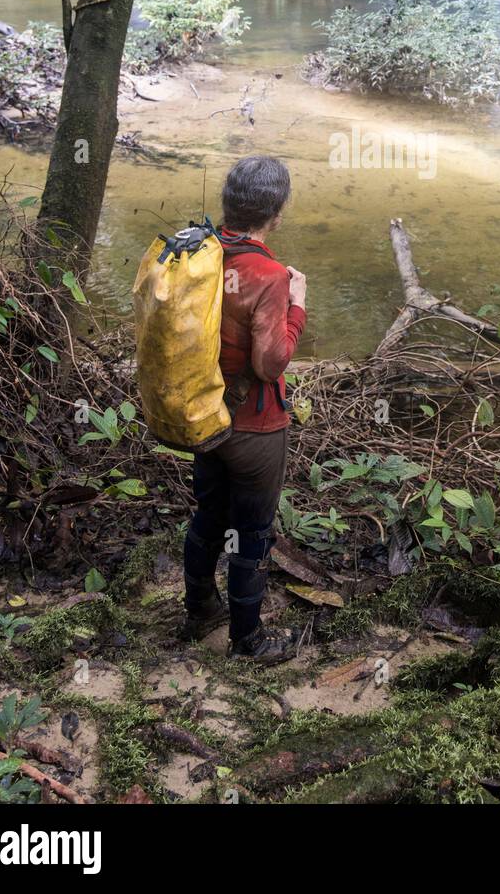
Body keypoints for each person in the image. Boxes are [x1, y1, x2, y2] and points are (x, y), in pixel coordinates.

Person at [180, 155, 306, 663]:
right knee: (252, 532)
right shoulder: (270, 274)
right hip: (254, 427)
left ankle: (200, 609)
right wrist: (297, 302)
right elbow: (272, 363)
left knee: (209, 514)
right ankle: (248, 641)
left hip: (205, 414)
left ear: (228, 205)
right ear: (275, 214)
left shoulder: (197, 253)